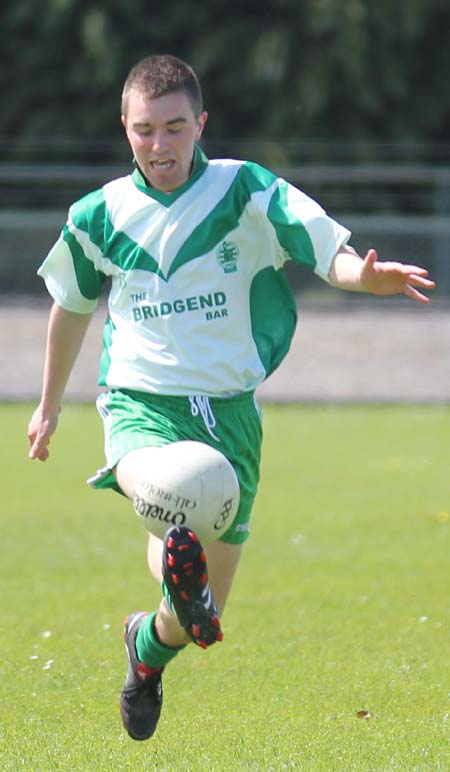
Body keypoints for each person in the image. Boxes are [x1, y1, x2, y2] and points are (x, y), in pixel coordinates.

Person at [27, 54, 435, 742]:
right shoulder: (97, 215)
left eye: (175, 128)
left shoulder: (244, 189)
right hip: (139, 403)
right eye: (144, 130)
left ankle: (146, 650)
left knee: (199, 614)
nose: (160, 146)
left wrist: (364, 279)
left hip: (232, 418)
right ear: (124, 128)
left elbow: (323, 247)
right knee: (183, 503)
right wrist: (49, 405)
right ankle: (177, 557)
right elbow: (69, 309)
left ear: (200, 124)